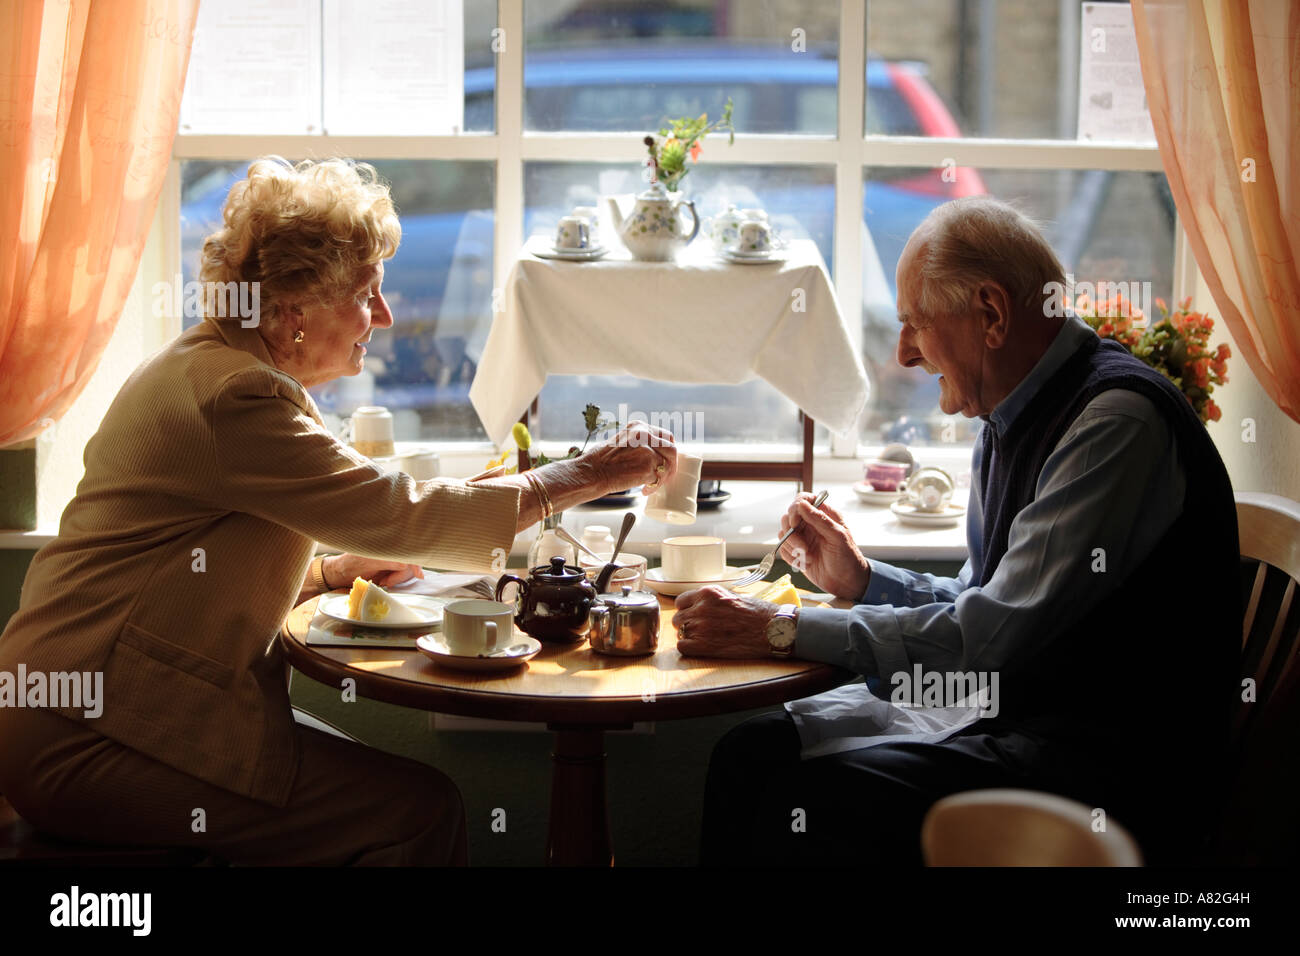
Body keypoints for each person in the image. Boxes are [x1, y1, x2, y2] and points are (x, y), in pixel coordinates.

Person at [0, 157, 676, 865]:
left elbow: (180, 563)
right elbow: (402, 511)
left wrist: (328, 576)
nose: (384, 316)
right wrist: (595, 470)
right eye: (366, 294)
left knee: (404, 804)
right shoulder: (236, 397)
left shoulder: (215, 366)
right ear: (294, 309)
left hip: (94, 708)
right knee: (416, 814)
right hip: (85, 731)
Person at [674, 197, 1239, 866]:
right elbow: (985, 600)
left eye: (915, 324)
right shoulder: (1011, 411)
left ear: (992, 316)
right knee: (749, 754)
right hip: (1011, 715)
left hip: (1105, 768)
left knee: (810, 798)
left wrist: (779, 628)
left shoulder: (1112, 425)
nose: (905, 354)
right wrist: (864, 580)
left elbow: (985, 642)